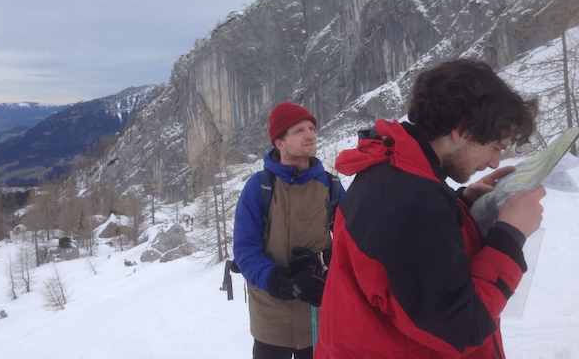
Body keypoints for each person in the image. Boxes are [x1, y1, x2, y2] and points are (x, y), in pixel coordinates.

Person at [315, 59, 546, 359]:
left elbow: (413, 258)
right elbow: (462, 326)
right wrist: (509, 237)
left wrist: (461, 204)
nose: (494, 162)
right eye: (495, 147)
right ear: (461, 129)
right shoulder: (411, 203)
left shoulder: (393, 172)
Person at [233, 102, 345, 359]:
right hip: (271, 321)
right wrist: (285, 282)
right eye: (299, 130)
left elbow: (351, 243)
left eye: (312, 128)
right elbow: (246, 251)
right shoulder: (259, 188)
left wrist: (326, 264)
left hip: (319, 317)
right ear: (279, 143)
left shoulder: (331, 187)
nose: (310, 135)